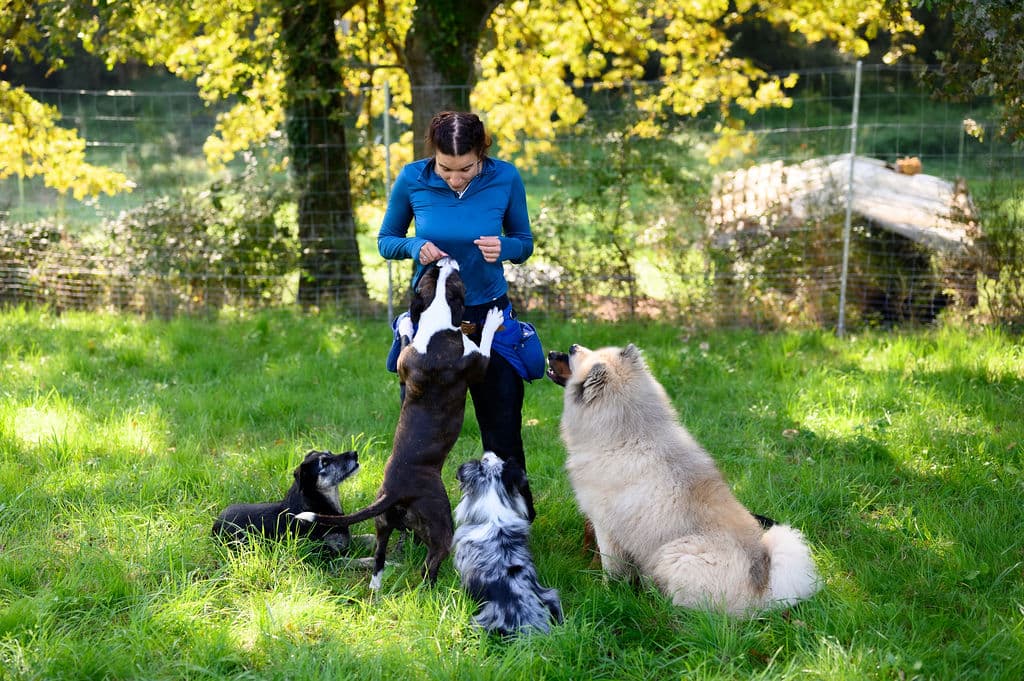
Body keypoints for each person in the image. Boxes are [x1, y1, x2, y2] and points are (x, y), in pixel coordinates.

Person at [378, 110, 536, 520]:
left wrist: (506, 248)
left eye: (465, 167)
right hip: (431, 326)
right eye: (446, 168)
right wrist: (414, 248)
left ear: (481, 152)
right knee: (417, 437)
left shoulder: (506, 178)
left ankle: (514, 520)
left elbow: (524, 242)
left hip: (490, 321)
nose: (455, 177)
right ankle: (409, 519)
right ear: (433, 156)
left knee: (501, 430)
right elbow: (386, 241)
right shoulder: (413, 178)